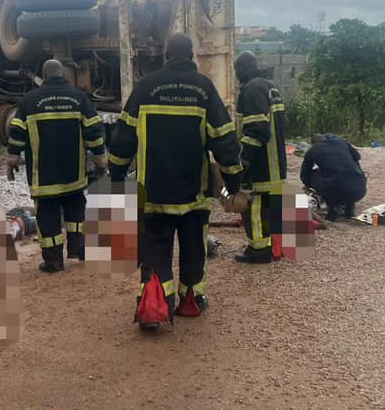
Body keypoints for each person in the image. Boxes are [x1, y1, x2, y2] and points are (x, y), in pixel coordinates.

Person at [108, 33, 243, 327]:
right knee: (194, 248)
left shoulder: (145, 88)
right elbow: (224, 140)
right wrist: (233, 183)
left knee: (155, 248)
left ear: (166, 54)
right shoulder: (204, 89)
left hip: (154, 192)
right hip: (193, 193)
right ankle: (191, 301)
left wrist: (116, 177)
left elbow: (122, 139)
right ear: (191, 55)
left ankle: (154, 305)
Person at [6, 59, 107, 272]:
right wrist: (100, 160)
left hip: (44, 175)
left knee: (48, 217)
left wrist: (12, 159)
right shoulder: (78, 98)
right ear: (63, 75)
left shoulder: (29, 101)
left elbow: (16, 133)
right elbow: (94, 131)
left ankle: (54, 261)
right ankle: (80, 250)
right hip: (74, 173)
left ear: (44, 74)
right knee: (76, 212)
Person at [232, 51, 287, 264]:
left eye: (238, 70)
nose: (237, 75)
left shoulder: (252, 89)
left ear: (244, 68)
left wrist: (244, 159)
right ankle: (273, 246)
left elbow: (256, 129)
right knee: (268, 206)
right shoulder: (269, 86)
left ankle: (258, 251)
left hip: (262, 163)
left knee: (252, 205)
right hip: (276, 161)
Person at [300, 133, 367, 221]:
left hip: (335, 191)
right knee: (350, 170)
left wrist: (309, 185)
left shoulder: (312, 150)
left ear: (313, 144)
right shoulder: (341, 142)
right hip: (359, 190)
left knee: (313, 174)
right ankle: (349, 206)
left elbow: (304, 174)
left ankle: (333, 207)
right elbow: (357, 156)